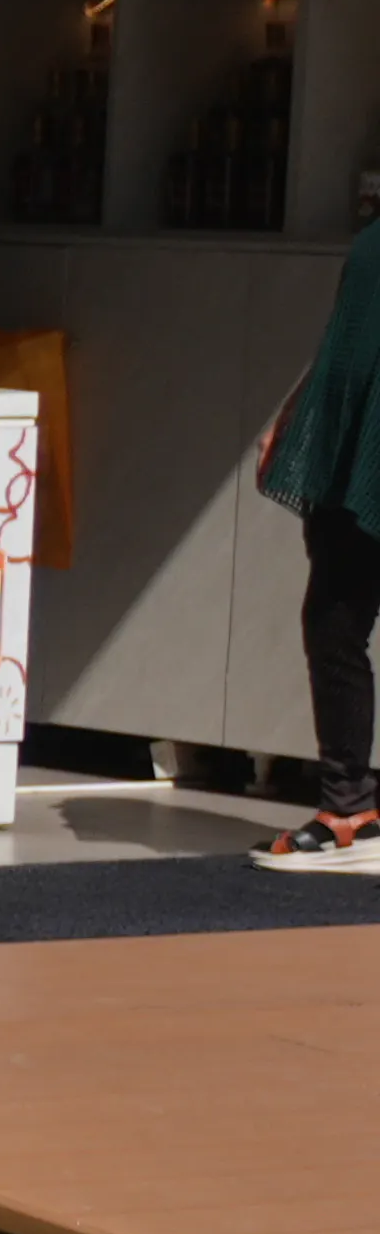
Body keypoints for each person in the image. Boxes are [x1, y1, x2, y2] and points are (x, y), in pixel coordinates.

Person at [258, 205, 380, 872]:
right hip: (354, 441)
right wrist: (295, 411)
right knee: (333, 621)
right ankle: (350, 808)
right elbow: (348, 333)